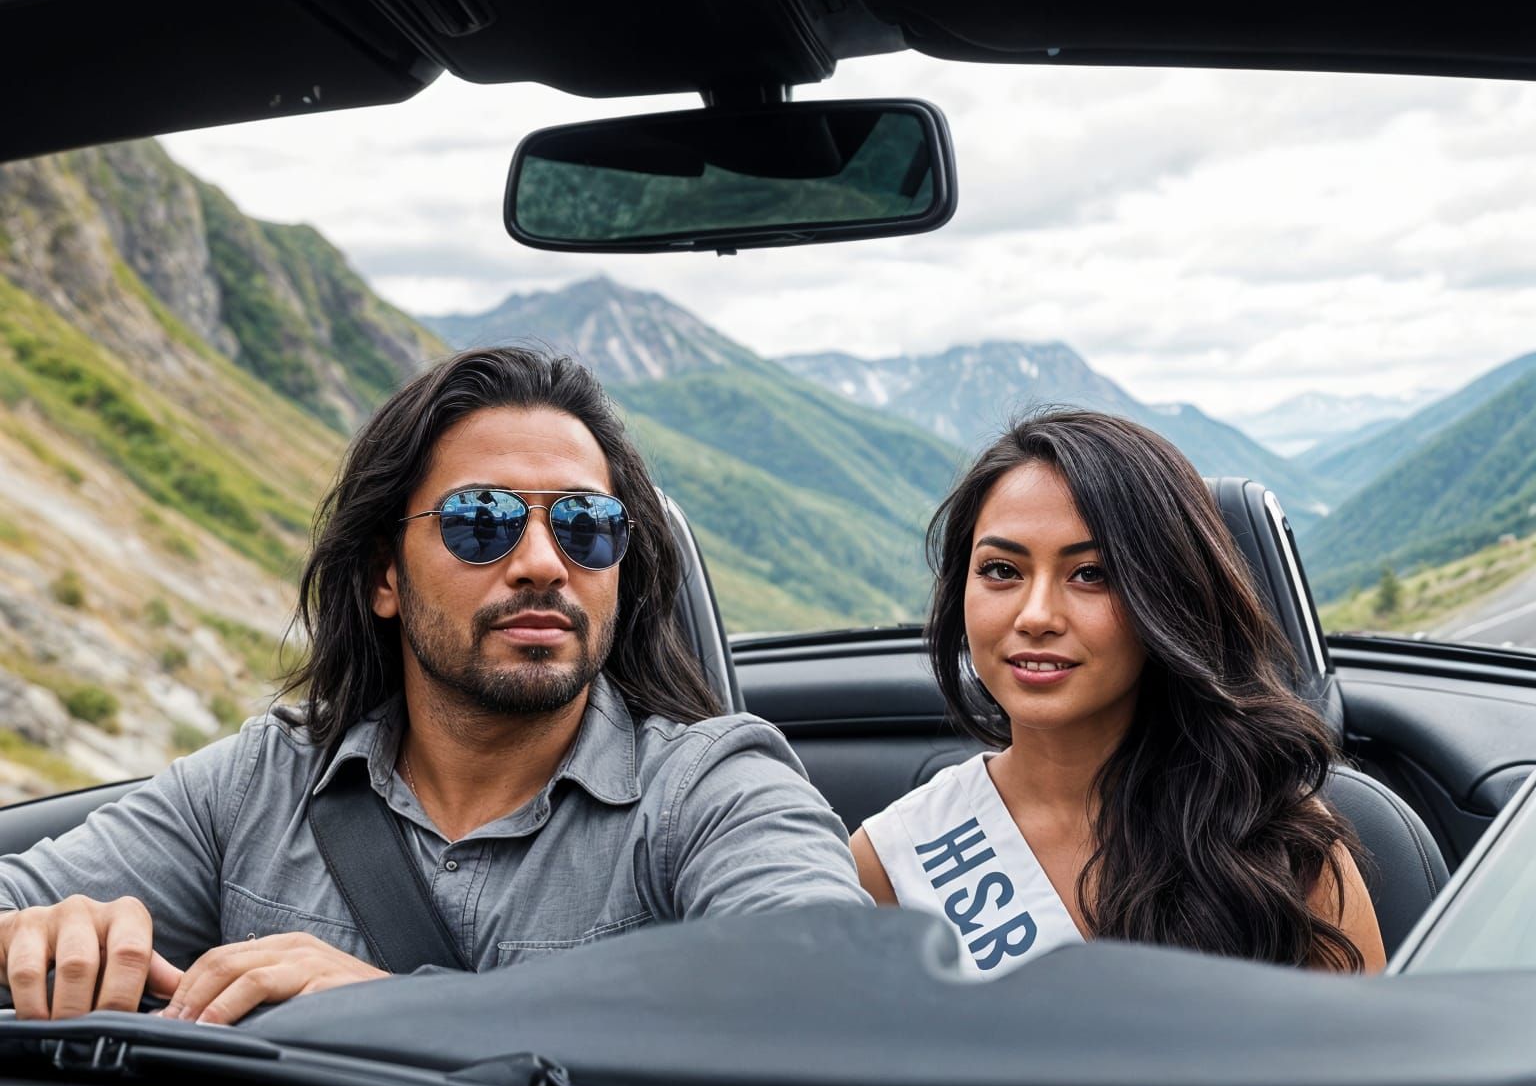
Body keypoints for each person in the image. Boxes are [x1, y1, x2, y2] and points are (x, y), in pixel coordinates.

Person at [0, 348, 869, 1022]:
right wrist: (45, 936)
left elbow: (835, 1000)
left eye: (585, 526)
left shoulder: (711, 789)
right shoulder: (261, 785)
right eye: (480, 521)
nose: (540, 563)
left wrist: (396, 1011)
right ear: (384, 576)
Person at [851, 409, 1386, 977]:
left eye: (1091, 574)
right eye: (1002, 570)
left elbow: (1370, 1058)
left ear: (1166, 598)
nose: (1036, 616)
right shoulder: (894, 858)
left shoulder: (1274, 840)